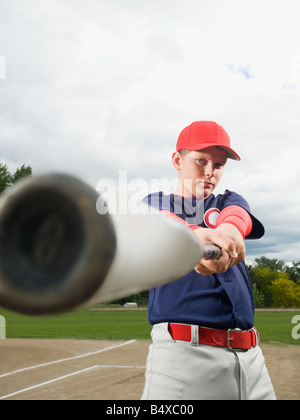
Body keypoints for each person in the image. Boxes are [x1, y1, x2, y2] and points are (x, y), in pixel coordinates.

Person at [141, 121, 276, 400]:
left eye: (218, 164)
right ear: (177, 160)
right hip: (184, 359)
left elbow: (238, 216)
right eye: (200, 160)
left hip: (252, 360)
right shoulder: (156, 203)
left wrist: (228, 231)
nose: (209, 172)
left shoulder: (228, 200)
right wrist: (193, 237)